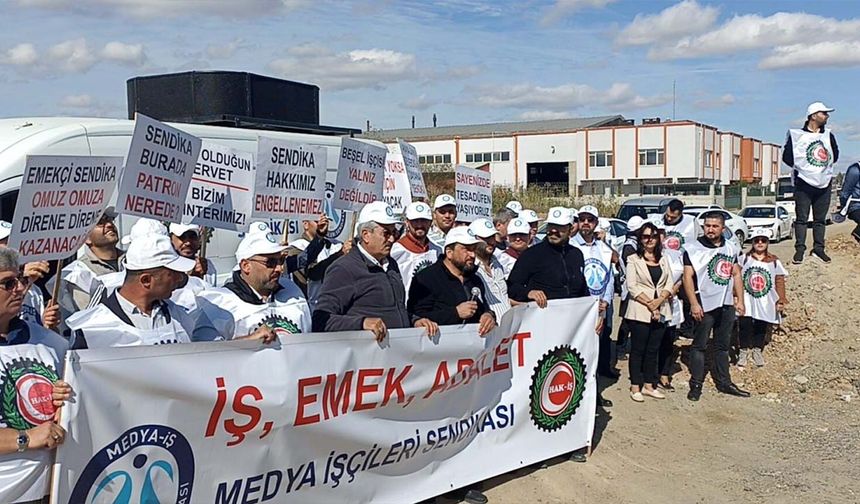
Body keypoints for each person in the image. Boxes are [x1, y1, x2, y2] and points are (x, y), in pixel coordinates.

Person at [66, 234, 271, 348]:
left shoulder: (181, 315)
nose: (181, 279)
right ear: (146, 280)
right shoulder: (90, 328)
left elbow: (205, 357)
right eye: (172, 273)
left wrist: (248, 341)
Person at [0, 247, 72, 504]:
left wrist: (66, 396)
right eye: (8, 283)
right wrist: (27, 438)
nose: (20, 288)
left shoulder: (52, 342)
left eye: (20, 278)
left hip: (53, 488)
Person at [312, 201, 437, 341]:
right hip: (365, 358)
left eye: (394, 233)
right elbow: (321, 320)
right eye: (386, 233)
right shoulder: (344, 269)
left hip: (396, 356)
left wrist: (414, 320)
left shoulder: (391, 264)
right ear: (366, 235)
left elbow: (394, 309)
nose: (391, 239)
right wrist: (361, 323)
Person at [681, 211, 749, 401]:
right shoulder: (693, 248)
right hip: (704, 302)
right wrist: (694, 303)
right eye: (707, 226)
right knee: (700, 345)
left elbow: (736, 274)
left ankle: (724, 382)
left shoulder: (731, 248)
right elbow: (687, 277)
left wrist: (740, 300)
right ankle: (696, 384)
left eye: (715, 226)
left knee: (722, 345)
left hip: (726, 303)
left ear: (723, 228)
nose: (710, 229)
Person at [198, 229, 312, 339]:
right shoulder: (219, 304)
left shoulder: (292, 291)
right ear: (246, 266)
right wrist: (247, 341)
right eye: (270, 262)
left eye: (280, 260)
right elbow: (205, 352)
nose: (279, 269)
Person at [408, 226, 496, 334]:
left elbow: (484, 308)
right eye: (466, 249)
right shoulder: (426, 278)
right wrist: (455, 313)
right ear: (449, 252)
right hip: (440, 347)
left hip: (473, 347)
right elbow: (417, 317)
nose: (472, 255)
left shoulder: (475, 279)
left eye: (474, 249)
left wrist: (488, 315)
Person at [783, 101, 839, 264]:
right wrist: (804, 168)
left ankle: (819, 249)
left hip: (824, 182)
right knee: (802, 218)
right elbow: (787, 156)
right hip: (803, 183)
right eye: (824, 113)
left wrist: (821, 169)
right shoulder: (796, 135)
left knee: (820, 220)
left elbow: (834, 153)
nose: (827, 116)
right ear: (813, 116)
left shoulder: (828, 135)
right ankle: (800, 250)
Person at [624, 222, 672, 402]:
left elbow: (669, 283)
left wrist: (660, 302)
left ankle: (649, 385)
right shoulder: (633, 259)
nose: (649, 239)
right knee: (638, 349)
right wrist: (651, 304)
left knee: (654, 349)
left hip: (661, 309)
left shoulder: (664, 259)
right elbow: (632, 286)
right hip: (640, 310)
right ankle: (635, 385)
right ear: (640, 239)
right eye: (645, 236)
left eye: (652, 236)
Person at [571, 205, 617, 379]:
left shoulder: (603, 248)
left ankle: (600, 374)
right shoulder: (570, 245)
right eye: (582, 219)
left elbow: (609, 277)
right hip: (581, 305)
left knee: (601, 339)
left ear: (596, 223)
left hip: (600, 305)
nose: (585, 223)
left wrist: (605, 301)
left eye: (589, 220)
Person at [55, 209, 123, 316]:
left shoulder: (132, 260)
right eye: (100, 223)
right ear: (86, 238)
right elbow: (90, 315)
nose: (109, 224)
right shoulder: (78, 273)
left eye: (110, 220)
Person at [737, 229, 788, 368]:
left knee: (761, 324)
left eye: (763, 240)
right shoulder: (744, 259)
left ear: (767, 242)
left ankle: (757, 350)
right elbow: (736, 277)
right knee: (744, 323)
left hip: (765, 299)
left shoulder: (774, 261)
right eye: (757, 240)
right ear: (752, 242)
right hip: (747, 297)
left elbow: (779, 280)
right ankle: (743, 350)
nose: (760, 243)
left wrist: (781, 300)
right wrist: (735, 296)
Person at [0, 222, 59, 329]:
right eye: (6, 244)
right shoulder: (25, 284)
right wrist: (23, 280)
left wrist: (46, 326)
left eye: (16, 243)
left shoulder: (35, 290)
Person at [286, 214, 350, 308]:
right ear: (306, 225)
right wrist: (339, 255)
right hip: (309, 306)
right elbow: (313, 273)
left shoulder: (334, 245)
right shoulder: (296, 248)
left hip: (331, 304)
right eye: (317, 222)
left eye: (326, 222)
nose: (323, 225)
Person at [654, 219, 686, 391]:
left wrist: (673, 289)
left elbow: (682, 276)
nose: (657, 237)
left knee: (667, 340)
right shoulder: (643, 254)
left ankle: (664, 374)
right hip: (651, 303)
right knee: (651, 341)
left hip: (670, 303)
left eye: (660, 233)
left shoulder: (676, 254)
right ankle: (649, 375)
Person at [390, 202, 441, 302]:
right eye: (415, 221)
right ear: (407, 222)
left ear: (430, 222)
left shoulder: (438, 251)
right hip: (406, 308)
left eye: (424, 221)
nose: (420, 225)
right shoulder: (394, 251)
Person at [469, 218, 511, 321]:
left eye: (492, 237)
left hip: (509, 327)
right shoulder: (470, 268)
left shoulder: (497, 263)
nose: (491, 242)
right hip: (489, 328)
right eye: (486, 238)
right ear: (474, 239)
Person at [615, 215, 644, 361]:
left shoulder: (633, 244)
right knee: (627, 320)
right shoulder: (629, 247)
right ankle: (620, 348)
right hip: (630, 287)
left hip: (634, 286)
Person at [838, 160, 860, 243]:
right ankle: (856, 235)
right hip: (855, 205)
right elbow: (845, 192)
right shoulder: (855, 169)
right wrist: (844, 207)